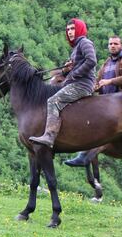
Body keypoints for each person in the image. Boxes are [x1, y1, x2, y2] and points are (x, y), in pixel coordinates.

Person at [64, 35, 122, 167]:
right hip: (106, 102)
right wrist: (94, 87)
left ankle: (84, 155)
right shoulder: (107, 63)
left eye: (115, 43)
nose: (112, 46)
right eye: (110, 44)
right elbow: (98, 81)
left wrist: (110, 81)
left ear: (121, 46)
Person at [29, 18, 97, 148]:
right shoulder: (77, 47)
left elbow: (91, 61)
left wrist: (74, 73)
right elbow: (77, 66)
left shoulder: (85, 42)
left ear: (80, 29)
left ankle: (49, 136)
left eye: (73, 29)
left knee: (52, 101)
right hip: (75, 82)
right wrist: (66, 70)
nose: (70, 32)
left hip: (82, 84)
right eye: (68, 30)